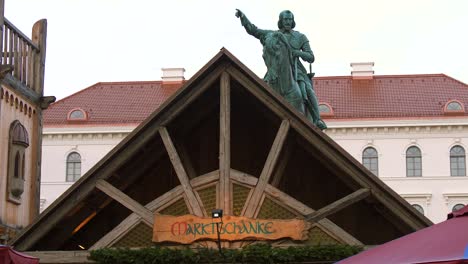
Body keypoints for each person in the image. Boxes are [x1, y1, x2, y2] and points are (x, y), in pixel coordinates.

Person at [235, 9, 327, 130]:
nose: (288, 22)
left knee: (308, 91)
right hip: (276, 69)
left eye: (290, 19)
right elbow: (254, 31)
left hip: (296, 70)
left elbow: (311, 57)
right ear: (281, 21)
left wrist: (297, 52)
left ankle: (317, 119)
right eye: (285, 19)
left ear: (293, 21)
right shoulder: (273, 35)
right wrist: (243, 17)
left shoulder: (300, 37)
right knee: (259, 88)